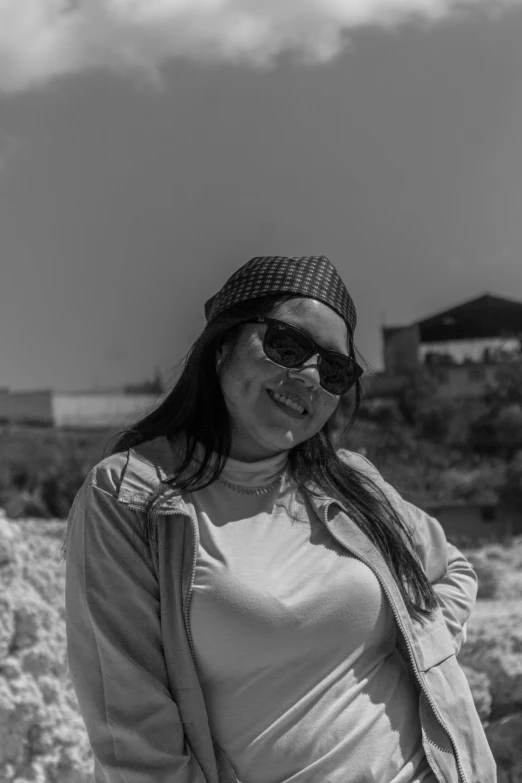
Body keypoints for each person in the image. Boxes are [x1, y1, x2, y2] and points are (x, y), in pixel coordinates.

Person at [62, 256, 496, 783]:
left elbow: (453, 573)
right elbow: (130, 730)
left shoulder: (352, 482)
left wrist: (419, 644)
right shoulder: (130, 496)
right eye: (287, 347)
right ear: (222, 344)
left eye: (335, 371)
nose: (309, 377)